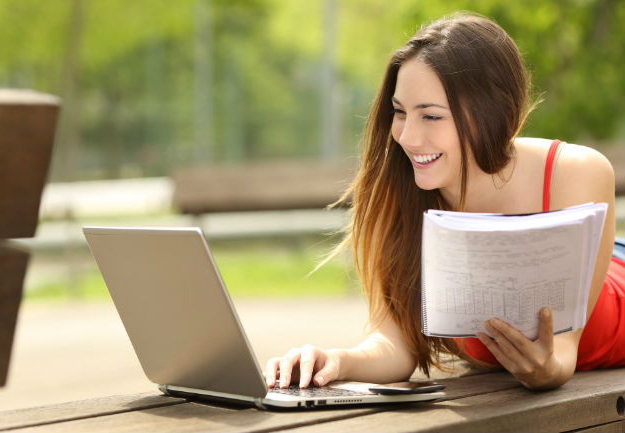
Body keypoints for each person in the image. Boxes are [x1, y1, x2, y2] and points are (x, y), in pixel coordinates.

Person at [264, 12, 624, 391]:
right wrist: (335, 360)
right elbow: (395, 345)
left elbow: (563, 353)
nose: (407, 137)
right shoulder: (402, 195)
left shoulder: (576, 171)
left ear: (492, 114)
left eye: (431, 116)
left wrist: (548, 370)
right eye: (400, 112)